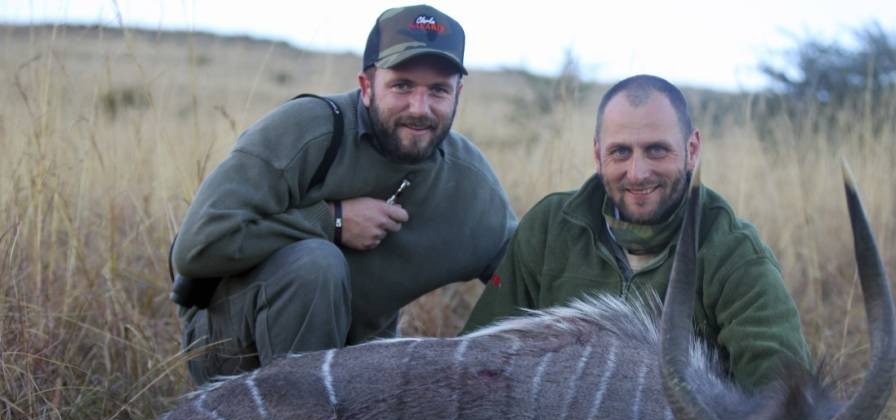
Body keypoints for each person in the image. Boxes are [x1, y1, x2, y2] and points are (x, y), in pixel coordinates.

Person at [171, 5, 516, 385]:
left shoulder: (469, 182)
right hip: (229, 349)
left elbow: (522, 272)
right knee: (315, 265)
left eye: (438, 90)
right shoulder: (308, 130)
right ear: (366, 87)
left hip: (356, 362)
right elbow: (195, 248)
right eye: (401, 86)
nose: (420, 108)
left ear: (458, 94)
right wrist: (330, 221)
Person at [463, 75, 810, 390]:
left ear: (692, 150)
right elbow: (476, 356)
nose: (638, 172)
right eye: (620, 152)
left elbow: (779, 397)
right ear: (598, 155)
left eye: (657, 150)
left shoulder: (734, 253)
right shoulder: (549, 227)